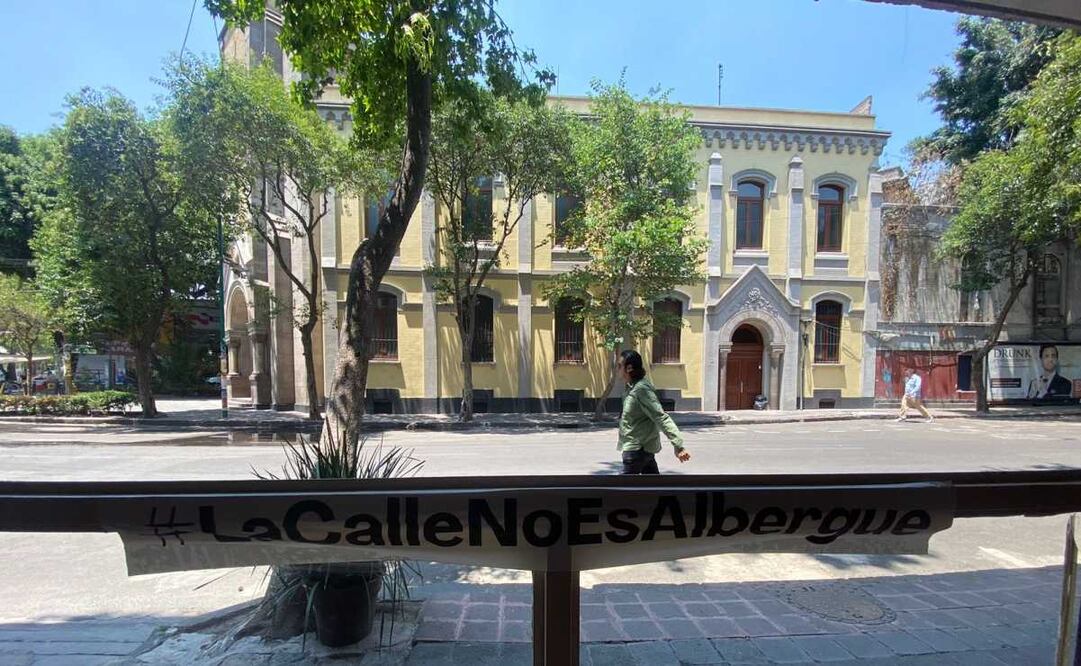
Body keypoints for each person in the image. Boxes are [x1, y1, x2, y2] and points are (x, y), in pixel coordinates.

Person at [617, 350, 691, 474]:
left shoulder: (641, 390)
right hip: (643, 450)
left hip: (636, 451)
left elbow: (661, 417)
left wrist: (678, 445)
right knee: (653, 488)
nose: (617, 369)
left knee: (623, 491)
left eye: (620, 366)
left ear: (629, 368)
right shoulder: (630, 387)